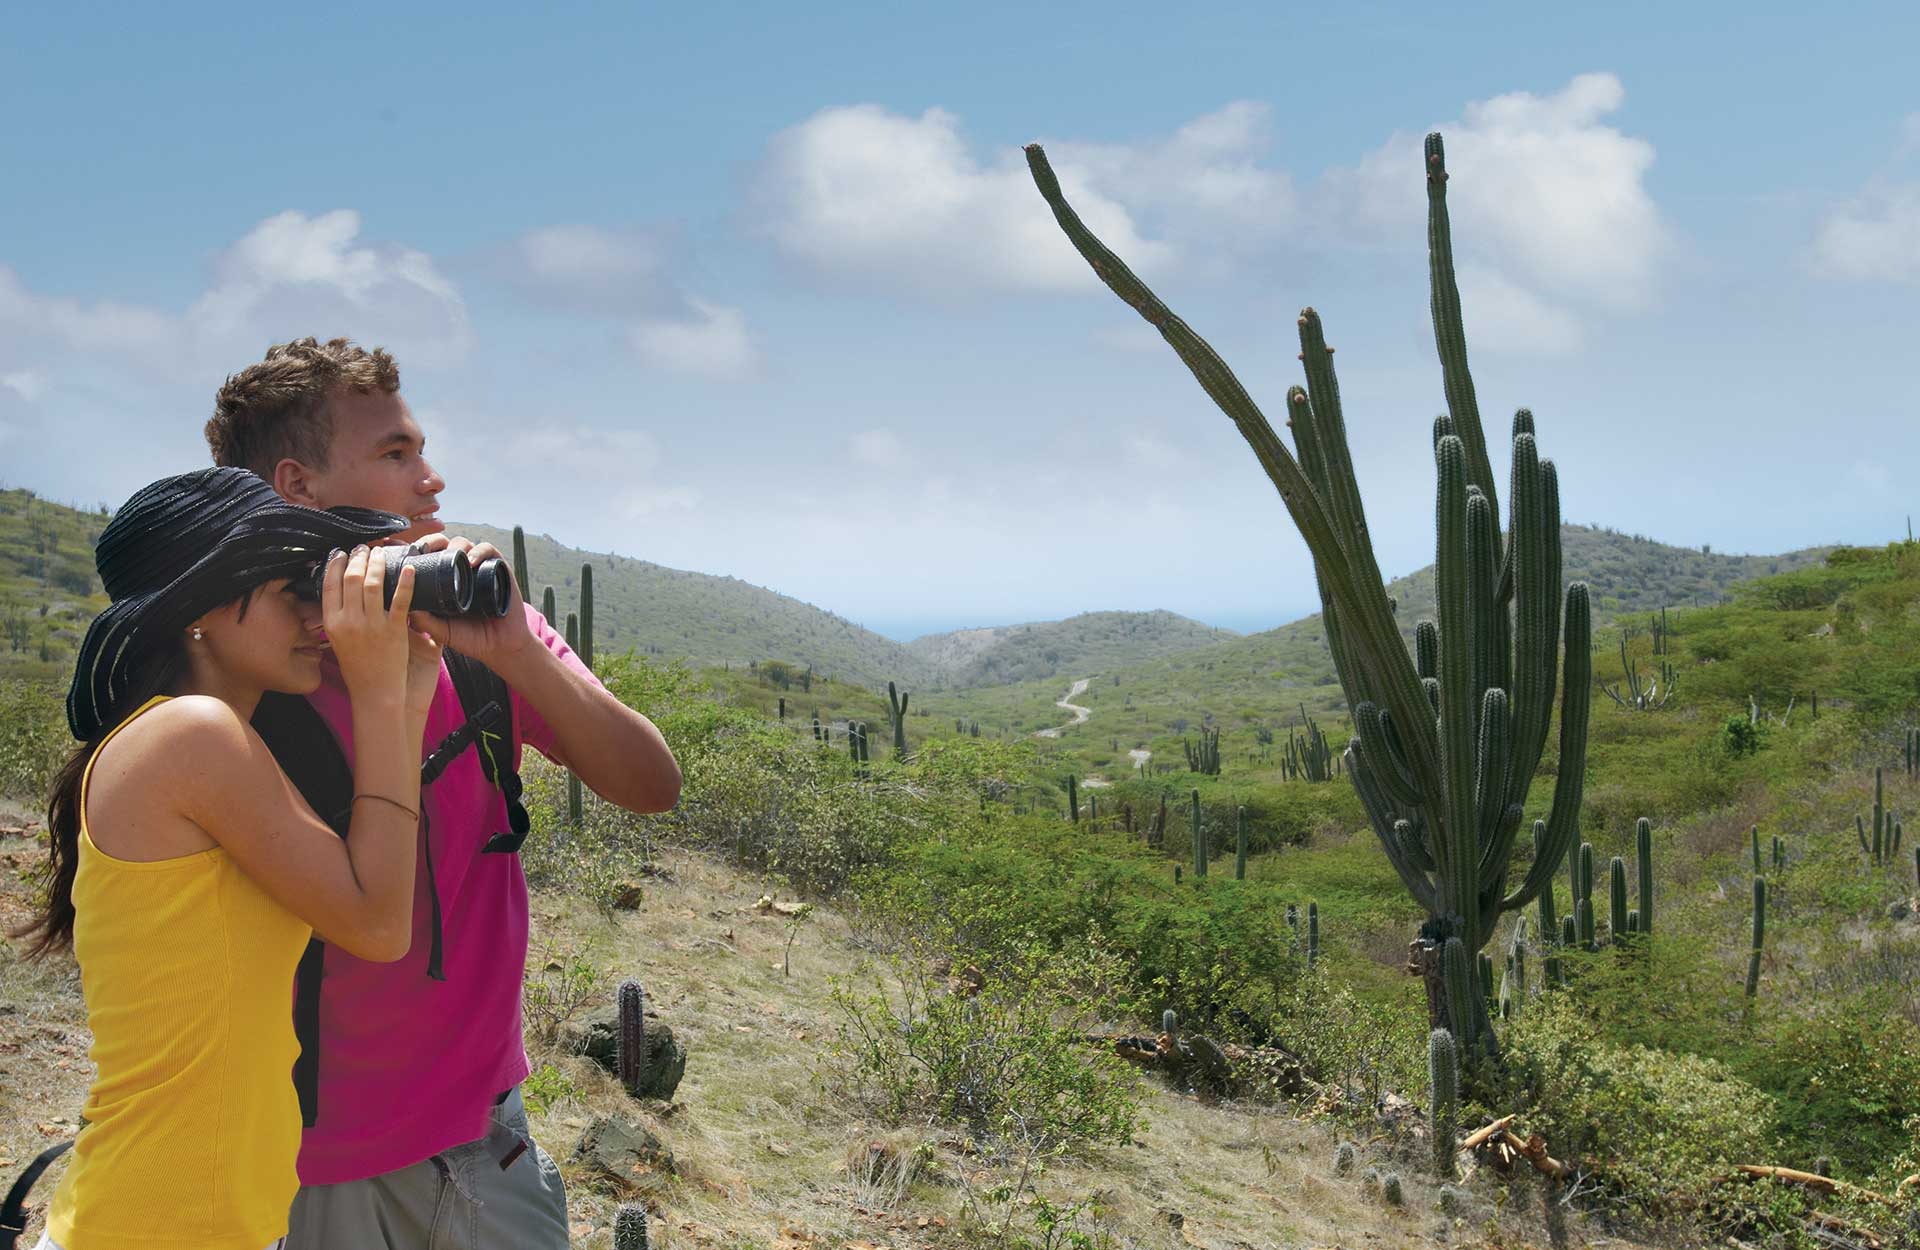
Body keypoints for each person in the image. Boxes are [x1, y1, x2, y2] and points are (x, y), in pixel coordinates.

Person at [204, 337, 682, 1248]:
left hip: (483, 1135)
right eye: (395, 453)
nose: (432, 480)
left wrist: (511, 651)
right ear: (298, 485)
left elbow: (650, 784)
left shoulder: (483, 635)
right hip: (303, 1155)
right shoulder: (248, 671)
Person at [9, 467, 442, 1250]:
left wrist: (405, 695)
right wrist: (381, 696)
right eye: (291, 590)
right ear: (199, 611)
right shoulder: (193, 738)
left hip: (203, 1216)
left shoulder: (208, 745)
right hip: (158, 1225)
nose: (318, 616)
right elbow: (380, 925)